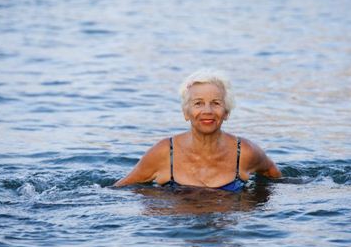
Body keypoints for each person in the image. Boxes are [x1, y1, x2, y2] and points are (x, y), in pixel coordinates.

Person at [113, 69, 281, 191]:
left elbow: (273, 177)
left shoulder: (245, 152)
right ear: (186, 113)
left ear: (226, 112)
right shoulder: (164, 153)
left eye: (216, 103)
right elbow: (120, 190)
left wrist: (253, 203)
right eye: (198, 103)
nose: (207, 111)